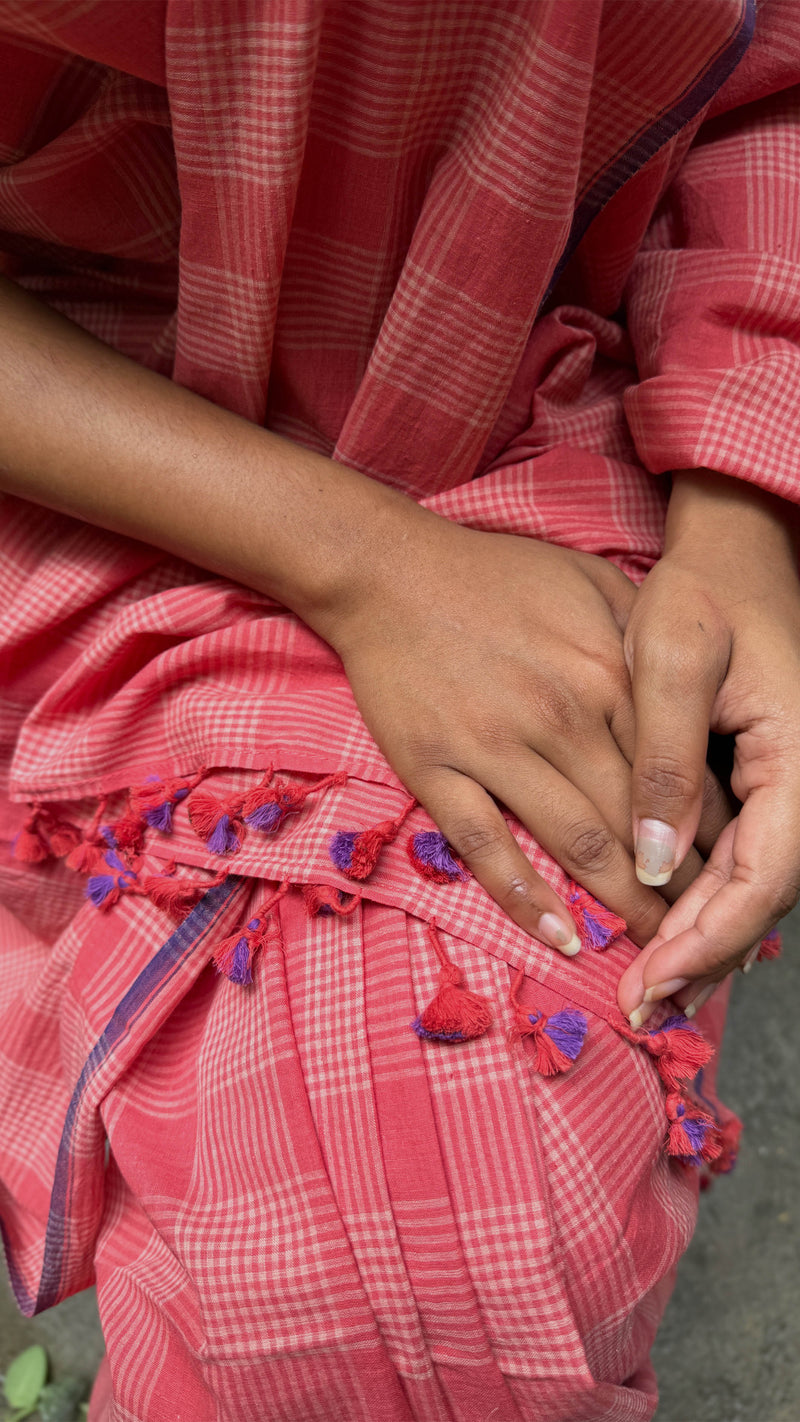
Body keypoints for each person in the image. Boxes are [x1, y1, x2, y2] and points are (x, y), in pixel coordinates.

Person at [0, 1, 798, 1417]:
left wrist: (744, 521)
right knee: (323, 1267)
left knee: (468, 1185)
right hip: (86, 418)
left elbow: (769, 81)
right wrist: (363, 563)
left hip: (532, 381)